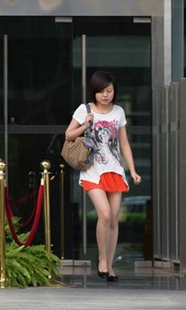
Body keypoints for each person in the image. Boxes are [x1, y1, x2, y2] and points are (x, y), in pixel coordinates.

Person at [64, 71, 142, 283]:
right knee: (105, 215)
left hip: (115, 170)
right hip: (92, 170)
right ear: (94, 92)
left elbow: (124, 143)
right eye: (100, 92)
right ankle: (101, 260)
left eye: (109, 91)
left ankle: (110, 265)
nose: (105, 95)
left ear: (114, 91)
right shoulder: (85, 109)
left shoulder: (119, 111)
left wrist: (132, 170)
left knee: (114, 219)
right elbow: (68, 135)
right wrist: (85, 125)